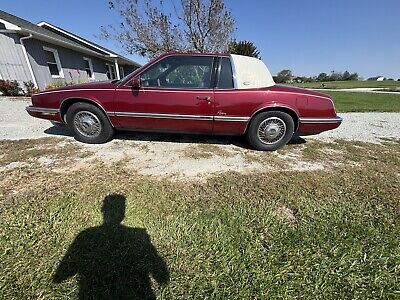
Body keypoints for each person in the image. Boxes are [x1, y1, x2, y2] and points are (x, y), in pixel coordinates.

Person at [53, 194, 169, 299]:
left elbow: (63, 272)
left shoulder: (86, 235)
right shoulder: (137, 235)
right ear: (123, 214)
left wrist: (59, 277)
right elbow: (161, 274)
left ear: (102, 211)